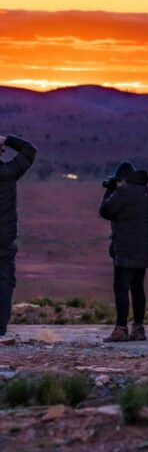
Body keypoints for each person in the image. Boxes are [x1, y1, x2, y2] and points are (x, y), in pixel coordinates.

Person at [99, 161, 148, 343]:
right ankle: (138, 328)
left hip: (126, 248)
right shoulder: (147, 191)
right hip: (144, 248)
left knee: (121, 287)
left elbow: (105, 210)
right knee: (138, 287)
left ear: (121, 180)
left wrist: (109, 190)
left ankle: (121, 328)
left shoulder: (123, 191)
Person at [0, 135, 37, 338]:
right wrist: (7, 140)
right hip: (4, 239)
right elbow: (30, 150)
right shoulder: (8, 172)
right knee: (4, 282)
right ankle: (0, 328)